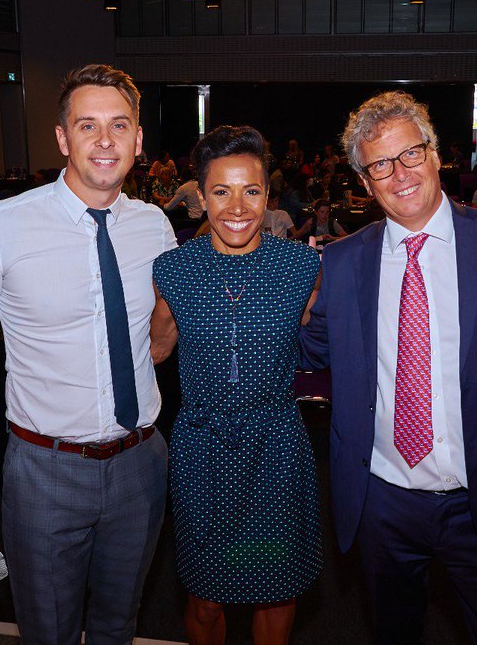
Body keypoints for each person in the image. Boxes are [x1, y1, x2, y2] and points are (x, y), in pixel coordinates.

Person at [300, 90, 477, 645]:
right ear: (365, 182)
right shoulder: (343, 262)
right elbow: (308, 350)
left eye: (411, 154)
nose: (400, 174)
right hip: (383, 500)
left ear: (435, 154)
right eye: (380, 165)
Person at [0, 65, 173, 645]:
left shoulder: (155, 226)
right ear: (63, 138)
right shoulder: (0, 226)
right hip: (45, 471)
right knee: (48, 631)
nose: (105, 140)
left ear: (139, 139)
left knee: (120, 623)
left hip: (140, 463)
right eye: (88, 126)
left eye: (119, 125)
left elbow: (160, 332)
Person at [151, 126, 321, 645]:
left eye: (251, 190)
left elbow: (329, 340)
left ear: (268, 195)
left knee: (276, 589)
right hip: (202, 452)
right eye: (221, 191)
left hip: (275, 449)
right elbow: (155, 349)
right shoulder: (173, 270)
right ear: (201, 197)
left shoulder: (301, 267)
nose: (238, 207)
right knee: (205, 597)